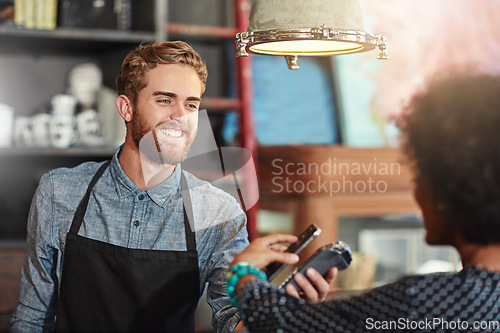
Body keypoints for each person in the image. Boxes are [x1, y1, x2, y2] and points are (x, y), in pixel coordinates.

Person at [10, 41, 334, 333]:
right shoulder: (60, 192)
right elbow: (32, 316)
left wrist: (278, 311)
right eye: (165, 100)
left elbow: (232, 323)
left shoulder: (218, 212)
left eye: (191, 104)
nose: (181, 115)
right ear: (127, 108)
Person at [227, 72, 500, 332]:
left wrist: (244, 273)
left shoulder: (426, 303)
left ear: (450, 191)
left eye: (421, 176)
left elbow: (276, 319)